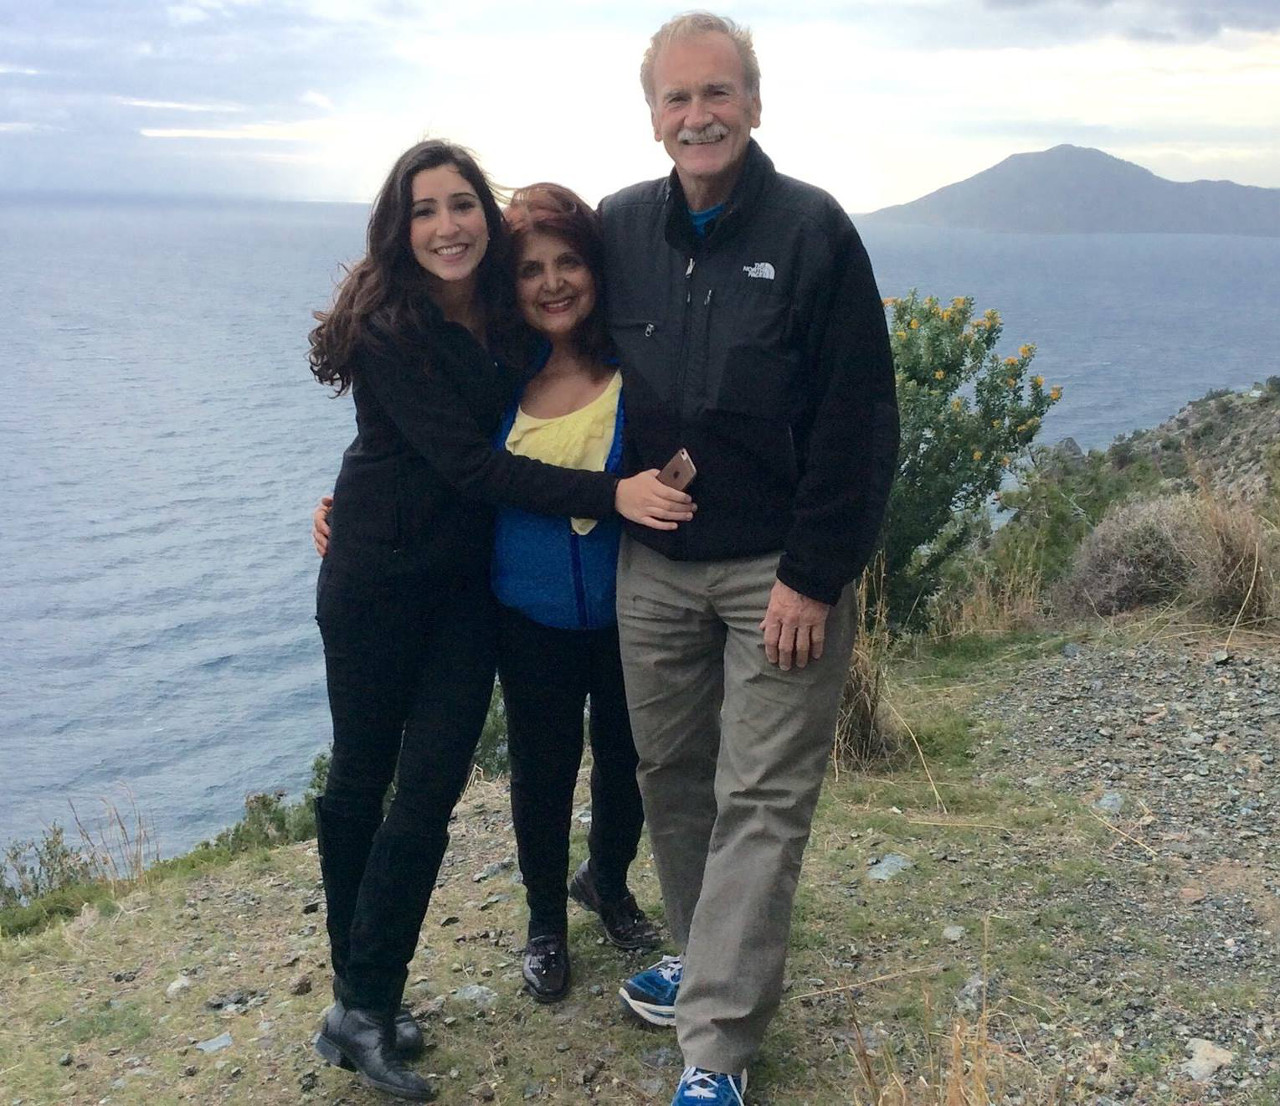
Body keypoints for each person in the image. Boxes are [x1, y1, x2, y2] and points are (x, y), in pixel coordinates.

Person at [305, 139, 691, 1101]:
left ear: (487, 213)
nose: (447, 225)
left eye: (462, 204)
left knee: (428, 793)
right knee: (361, 783)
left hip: (464, 590)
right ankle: (361, 998)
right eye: (425, 209)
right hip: (377, 581)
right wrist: (614, 494)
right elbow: (468, 465)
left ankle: (363, 999)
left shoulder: (502, 324)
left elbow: (534, 405)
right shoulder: (390, 329)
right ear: (401, 226)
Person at [600, 14, 900, 1106]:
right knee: (670, 776)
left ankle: (714, 1047)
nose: (697, 115)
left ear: (754, 103)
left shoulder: (812, 229)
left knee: (762, 794)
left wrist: (813, 574)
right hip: (656, 563)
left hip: (776, 568)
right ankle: (701, 947)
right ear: (651, 117)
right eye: (676, 100)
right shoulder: (620, 227)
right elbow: (536, 347)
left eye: (716, 93)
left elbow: (859, 418)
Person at [492, 183, 661, 1003]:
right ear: (509, 282)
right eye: (531, 269)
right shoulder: (493, 378)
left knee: (627, 757)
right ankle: (544, 922)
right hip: (530, 616)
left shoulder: (638, 369)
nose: (552, 283)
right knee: (543, 767)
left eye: (568, 263)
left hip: (630, 605)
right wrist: (340, 507)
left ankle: (609, 882)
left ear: (595, 269)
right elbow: (429, 463)